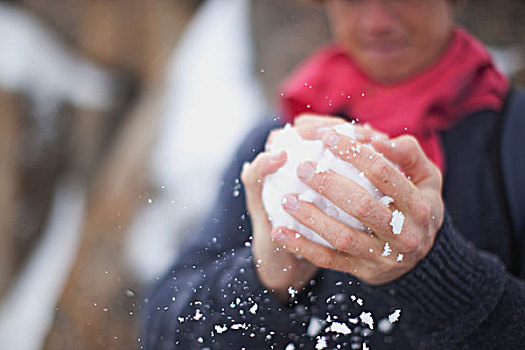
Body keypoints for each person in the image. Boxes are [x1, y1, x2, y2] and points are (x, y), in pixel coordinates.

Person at [143, 0, 525, 348]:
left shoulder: (511, 139)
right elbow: (160, 328)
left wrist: (433, 274)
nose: (377, 23)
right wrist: (267, 282)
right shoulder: (277, 142)